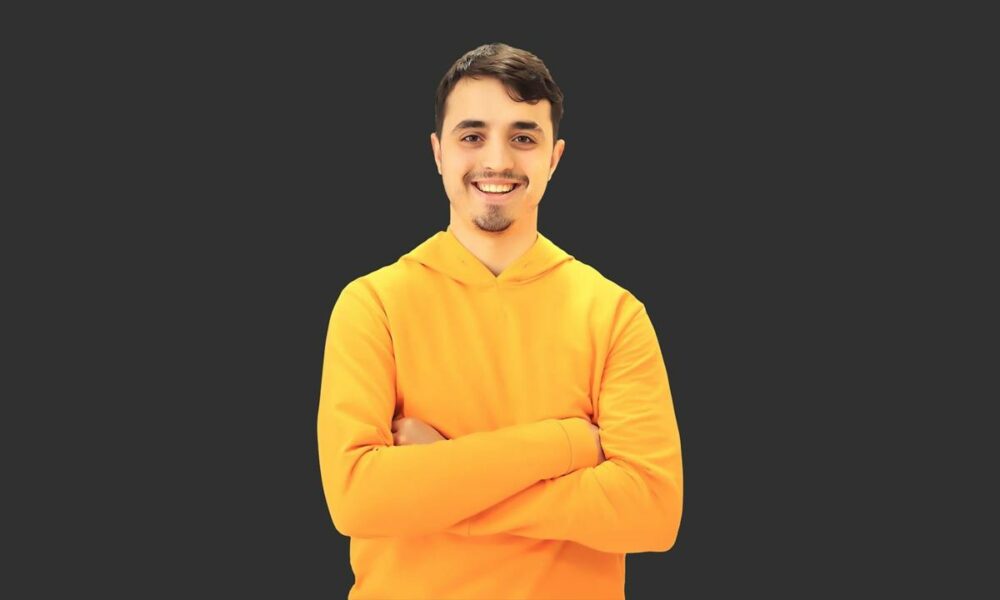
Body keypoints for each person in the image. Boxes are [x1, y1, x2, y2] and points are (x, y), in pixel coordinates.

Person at [317, 42, 683, 599]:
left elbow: (651, 512)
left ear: (554, 157)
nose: (497, 161)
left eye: (523, 137)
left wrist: (440, 482)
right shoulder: (373, 305)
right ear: (438, 153)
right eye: (472, 136)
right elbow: (358, 501)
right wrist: (565, 443)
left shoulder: (614, 314)